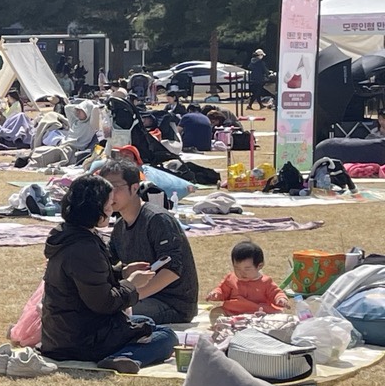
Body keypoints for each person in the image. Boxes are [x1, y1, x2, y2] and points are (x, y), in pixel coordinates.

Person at [40, 175, 176, 373]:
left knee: (147, 324)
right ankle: (121, 358)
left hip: (62, 334)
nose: (112, 209)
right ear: (95, 208)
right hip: (79, 340)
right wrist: (131, 283)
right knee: (166, 336)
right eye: (108, 204)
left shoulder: (67, 234)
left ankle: (120, 354)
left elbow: (88, 280)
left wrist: (121, 272)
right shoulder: (83, 247)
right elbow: (103, 303)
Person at [99, 159, 200, 326]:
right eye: (104, 188)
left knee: (106, 317)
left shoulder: (157, 219)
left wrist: (131, 296)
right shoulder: (119, 226)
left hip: (172, 303)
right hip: (141, 297)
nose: (109, 194)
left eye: (115, 187)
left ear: (135, 187)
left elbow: (172, 270)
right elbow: (106, 261)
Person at [207, 240, 289, 316]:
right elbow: (222, 291)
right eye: (237, 268)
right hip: (233, 311)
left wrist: (280, 299)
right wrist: (216, 294)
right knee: (215, 312)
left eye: (247, 269)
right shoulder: (231, 278)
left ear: (259, 266)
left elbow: (276, 293)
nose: (242, 273)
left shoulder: (265, 282)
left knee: (278, 315)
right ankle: (224, 328)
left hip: (258, 312)